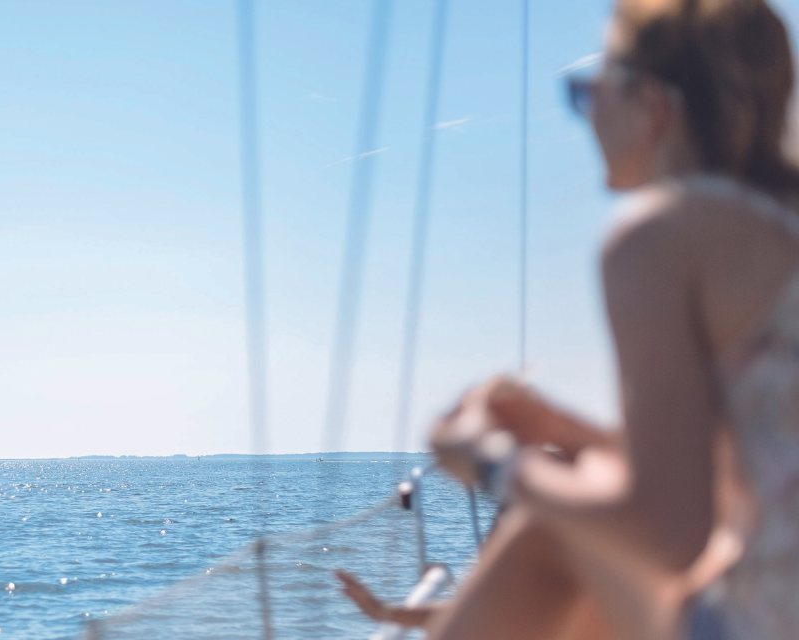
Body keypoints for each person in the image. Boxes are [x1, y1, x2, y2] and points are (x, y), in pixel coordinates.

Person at [338, 0, 799, 638]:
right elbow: (732, 483)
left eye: (588, 93)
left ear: (653, 105)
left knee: (549, 528)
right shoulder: (775, 229)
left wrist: (491, 461)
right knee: (586, 482)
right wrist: (564, 430)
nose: (584, 116)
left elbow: (669, 530)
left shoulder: (661, 234)